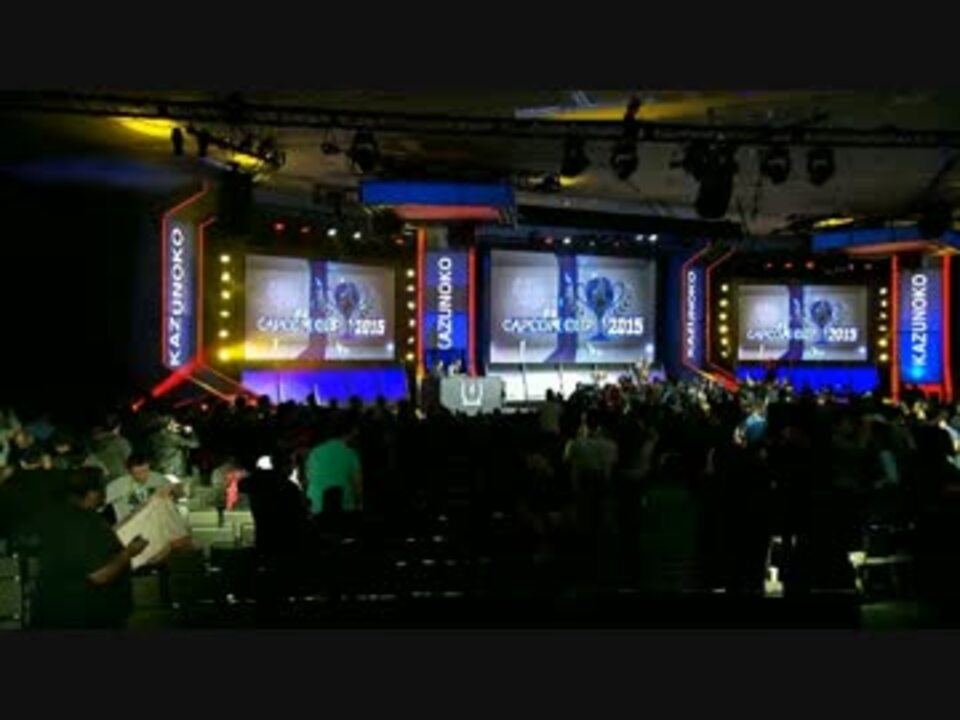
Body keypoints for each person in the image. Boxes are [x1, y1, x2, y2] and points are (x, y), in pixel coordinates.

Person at [34, 468, 149, 629]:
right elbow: (99, 575)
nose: (105, 493)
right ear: (92, 493)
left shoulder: (51, 515)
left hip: (52, 610)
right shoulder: (89, 522)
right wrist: (129, 552)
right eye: (103, 487)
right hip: (88, 614)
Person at [305, 415, 363, 516]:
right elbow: (358, 485)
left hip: (316, 506)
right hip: (343, 506)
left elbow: (309, 477)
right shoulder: (351, 453)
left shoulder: (315, 451)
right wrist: (359, 504)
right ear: (353, 431)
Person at [105, 453, 177, 525]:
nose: (142, 476)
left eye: (145, 471)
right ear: (129, 472)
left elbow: (175, 496)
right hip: (132, 524)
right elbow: (103, 503)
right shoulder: (117, 486)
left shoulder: (158, 479)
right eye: (137, 473)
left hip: (158, 521)